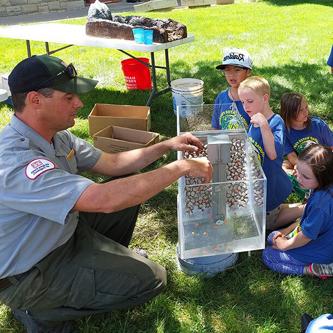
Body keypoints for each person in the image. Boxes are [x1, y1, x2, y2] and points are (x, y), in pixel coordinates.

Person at [0, 54, 213, 332]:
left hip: (60, 233)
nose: (79, 103)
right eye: (68, 97)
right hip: (32, 271)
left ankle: (101, 264)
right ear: (35, 100)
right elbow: (105, 200)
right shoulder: (16, 160)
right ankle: (36, 309)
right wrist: (182, 167)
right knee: (153, 279)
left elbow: (113, 164)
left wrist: (167, 145)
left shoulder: (56, 134)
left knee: (127, 181)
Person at [238, 76, 303, 230]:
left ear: (265, 98)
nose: (245, 106)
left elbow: (273, 154)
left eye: (250, 101)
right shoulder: (254, 117)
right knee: (269, 211)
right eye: (242, 102)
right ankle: (297, 206)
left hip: (270, 182)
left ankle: (305, 209)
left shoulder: (275, 121)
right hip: (259, 179)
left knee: (267, 223)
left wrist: (264, 125)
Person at [262, 144, 333, 276]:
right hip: (323, 238)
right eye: (298, 169)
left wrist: (285, 245)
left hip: (323, 251)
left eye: (306, 177)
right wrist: (284, 235)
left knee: (268, 255)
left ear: (323, 178)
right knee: (272, 236)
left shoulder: (320, 205)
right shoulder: (324, 188)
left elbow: (306, 236)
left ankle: (314, 270)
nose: (298, 177)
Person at [280, 92, 333, 199]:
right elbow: (291, 157)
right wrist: (299, 167)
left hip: (323, 164)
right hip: (303, 164)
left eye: (306, 107)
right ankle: (307, 190)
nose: (306, 112)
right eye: (300, 110)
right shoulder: (285, 131)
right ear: (289, 113)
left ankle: (312, 189)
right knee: (283, 166)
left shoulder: (318, 125)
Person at [211, 48, 252, 130]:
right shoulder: (221, 97)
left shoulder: (253, 98)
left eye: (237, 70)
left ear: (248, 72)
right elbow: (215, 128)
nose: (231, 75)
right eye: (227, 70)